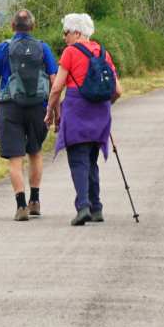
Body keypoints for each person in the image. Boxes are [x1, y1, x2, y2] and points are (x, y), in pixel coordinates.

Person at [48, 12, 122, 226]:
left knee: (78, 159)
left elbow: (56, 88)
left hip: (76, 111)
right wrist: (106, 106)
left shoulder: (70, 52)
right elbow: (117, 90)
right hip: (100, 112)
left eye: (66, 33)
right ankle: (96, 207)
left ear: (77, 33)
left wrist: (49, 111)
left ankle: (83, 207)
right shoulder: (103, 52)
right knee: (91, 159)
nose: (64, 37)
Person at [0, 9, 58, 221]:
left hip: (10, 107)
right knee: (35, 152)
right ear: (32, 27)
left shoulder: (3, 49)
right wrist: (54, 110)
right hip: (38, 106)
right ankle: (35, 201)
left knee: (15, 159)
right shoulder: (43, 48)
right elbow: (54, 82)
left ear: (12, 26)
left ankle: (21, 206)